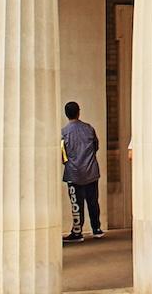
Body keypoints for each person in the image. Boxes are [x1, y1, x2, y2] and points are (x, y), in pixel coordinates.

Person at [61, 102, 103, 243]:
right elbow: (96, 146)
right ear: (79, 112)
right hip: (91, 171)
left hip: (73, 173)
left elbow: (63, 154)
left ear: (66, 114)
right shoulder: (89, 129)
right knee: (93, 201)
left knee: (76, 203)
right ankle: (96, 228)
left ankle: (77, 231)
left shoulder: (64, 132)